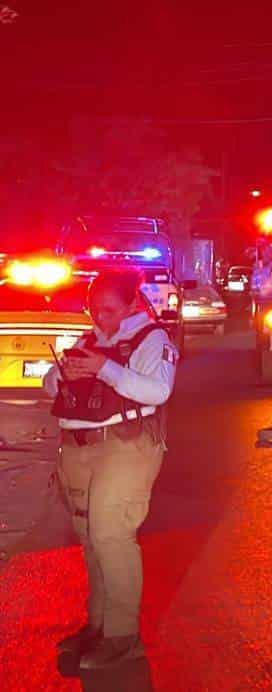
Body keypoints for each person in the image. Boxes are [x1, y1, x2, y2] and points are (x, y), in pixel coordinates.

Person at [41, 267, 177, 670]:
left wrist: (103, 369)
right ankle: (98, 626)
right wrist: (62, 374)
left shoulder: (152, 339)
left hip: (125, 446)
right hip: (79, 449)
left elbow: (158, 390)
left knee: (110, 536)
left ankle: (122, 637)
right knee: (90, 539)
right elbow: (50, 386)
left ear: (132, 304)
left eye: (109, 309)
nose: (100, 318)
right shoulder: (91, 340)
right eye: (93, 310)